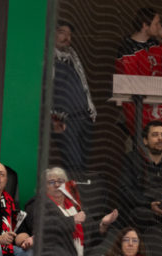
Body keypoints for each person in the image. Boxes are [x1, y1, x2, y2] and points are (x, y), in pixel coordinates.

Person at [116, 9, 162, 134]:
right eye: (156, 23)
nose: (159, 27)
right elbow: (131, 84)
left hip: (159, 110)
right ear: (145, 25)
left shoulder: (154, 44)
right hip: (139, 110)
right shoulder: (128, 48)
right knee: (145, 144)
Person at [52, 21, 97, 175]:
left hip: (83, 117)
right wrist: (54, 119)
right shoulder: (46, 58)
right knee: (73, 162)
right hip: (64, 119)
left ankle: (76, 189)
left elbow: (84, 86)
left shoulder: (72, 57)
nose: (67, 38)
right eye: (62, 33)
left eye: (69, 35)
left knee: (83, 164)